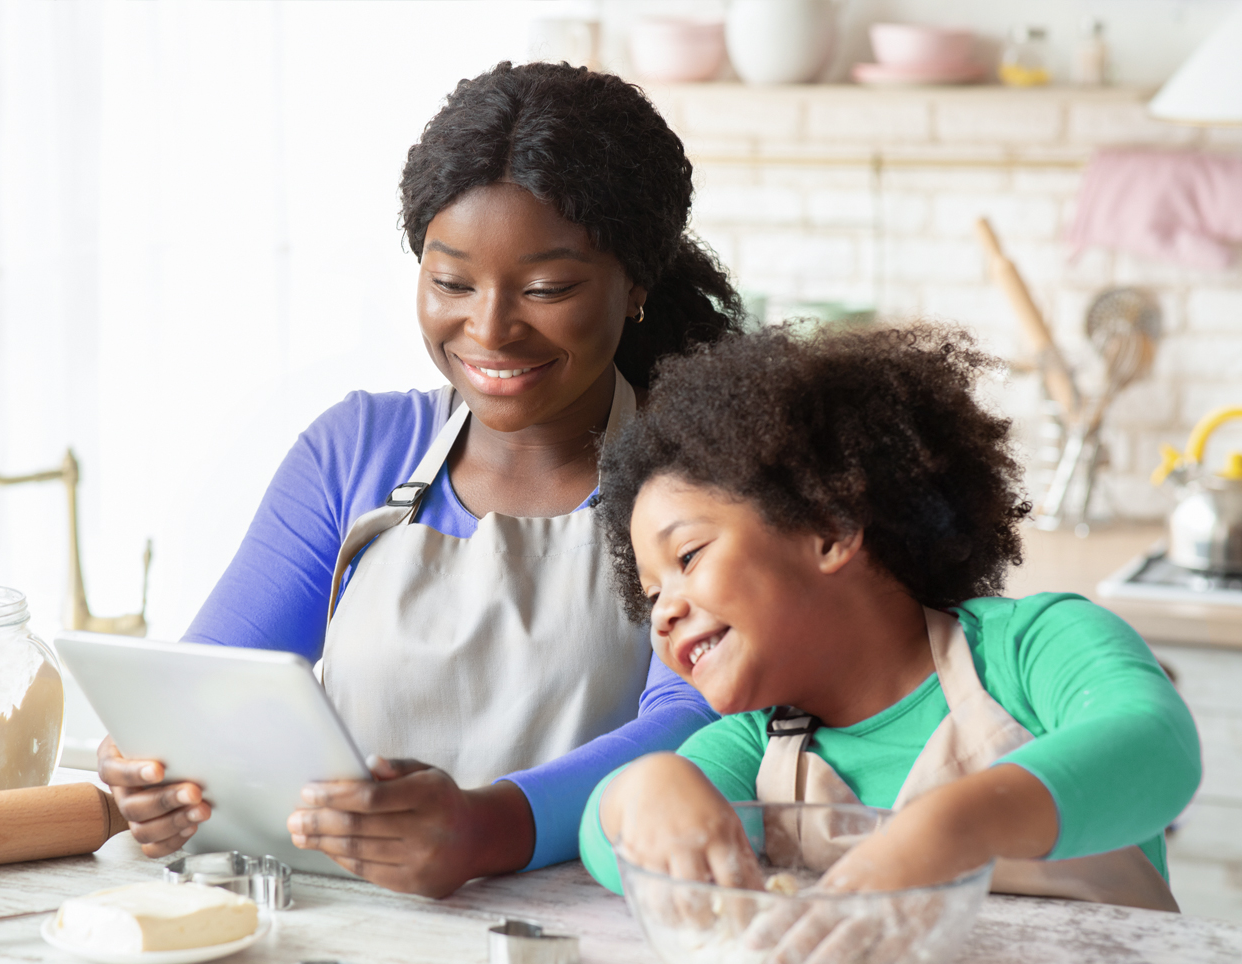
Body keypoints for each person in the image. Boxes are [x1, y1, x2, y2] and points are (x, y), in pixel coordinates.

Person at [97, 61, 743, 898]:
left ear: (637, 285)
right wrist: (156, 769)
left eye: (546, 288)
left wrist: (487, 827)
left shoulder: (705, 480)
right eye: (450, 281)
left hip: (587, 929)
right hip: (341, 922)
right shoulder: (355, 451)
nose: (490, 327)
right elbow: (214, 692)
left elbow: (696, 729)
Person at [581, 324, 1201, 917]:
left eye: (688, 556)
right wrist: (642, 792)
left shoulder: (1028, 650)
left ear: (831, 530)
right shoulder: (752, 745)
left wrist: (954, 827)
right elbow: (606, 842)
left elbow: (1155, 743)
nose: (663, 613)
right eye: (652, 593)